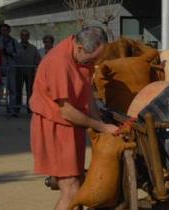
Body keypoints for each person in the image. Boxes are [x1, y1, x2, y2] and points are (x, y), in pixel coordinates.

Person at [29, 26, 118, 210]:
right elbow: (67, 111)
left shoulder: (82, 59)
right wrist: (102, 128)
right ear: (79, 48)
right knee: (71, 188)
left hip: (71, 128)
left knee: (77, 184)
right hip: (55, 127)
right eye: (92, 58)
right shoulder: (59, 62)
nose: (94, 63)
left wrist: (99, 124)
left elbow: (88, 96)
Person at [0, 24, 20, 116]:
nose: (4, 32)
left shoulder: (14, 42)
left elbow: (18, 54)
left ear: (9, 31)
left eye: (6, 30)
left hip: (11, 68)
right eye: (2, 30)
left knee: (12, 90)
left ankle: (11, 110)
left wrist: (9, 52)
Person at [17, 29, 40, 114]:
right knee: (17, 90)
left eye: (26, 35)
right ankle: (16, 109)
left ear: (28, 36)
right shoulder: (16, 47)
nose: (24, 37)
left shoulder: (33, 48)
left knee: (30, 91)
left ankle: (30, 108)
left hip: (30, 72)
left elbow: (38, 60)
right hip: (18, 72)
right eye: (23, 35)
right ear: (20, 36)